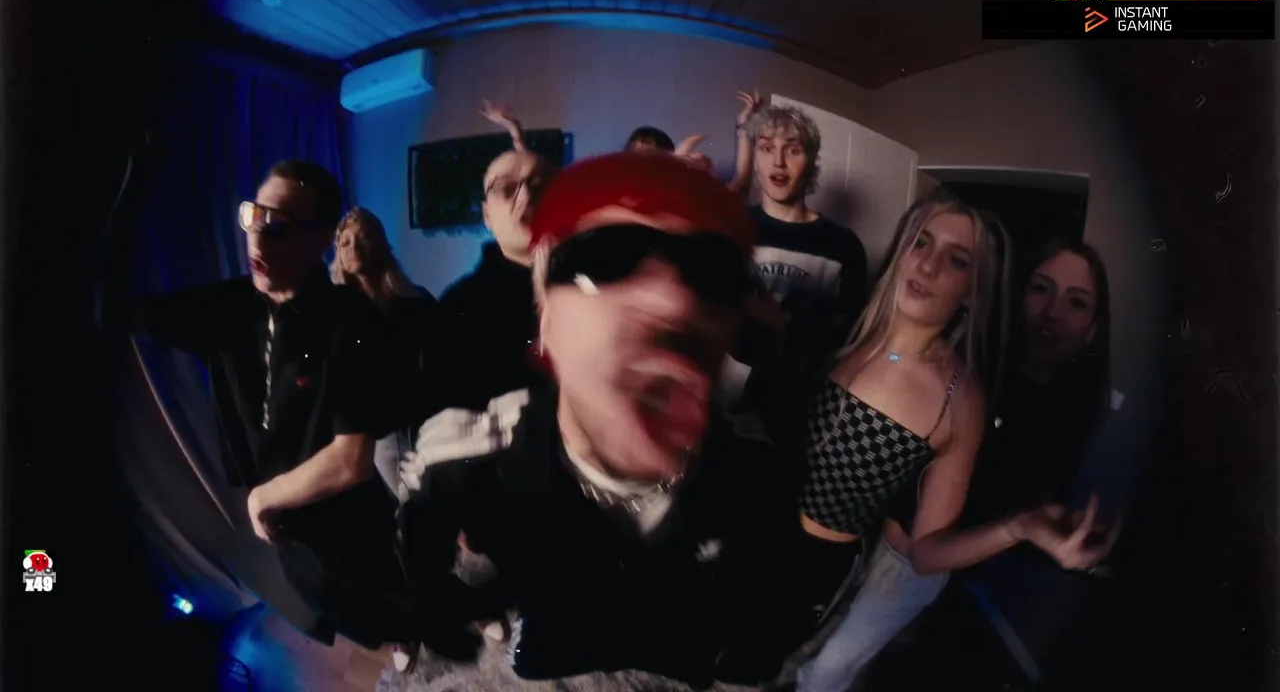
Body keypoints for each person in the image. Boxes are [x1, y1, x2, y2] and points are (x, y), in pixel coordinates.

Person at [398, 152, 806, 690]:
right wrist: (460, 604)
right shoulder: (461, 460)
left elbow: (767, 620)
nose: (674, 299)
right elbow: (419, 552)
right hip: (554, 644)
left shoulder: (758, 476)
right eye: (606, 258)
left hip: (676, 661)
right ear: (546, 319)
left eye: (711, 271)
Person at [796, 237, 1123, 692]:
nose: (1052, 311)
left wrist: (1034, 527)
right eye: (1041, 288)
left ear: (1091, 330)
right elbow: (893, 363)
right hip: (858, 530)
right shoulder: (966, 364)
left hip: (911, 568)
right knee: (802, 641)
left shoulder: (1069, 421)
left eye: (1076, 302)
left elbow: (988, 523)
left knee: (827, 670)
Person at [125, 161, 415, 664]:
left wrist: (263, 498)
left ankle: (414, 629)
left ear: (319, 237)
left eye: (278, 225)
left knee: (388, 583)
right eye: (253, 216)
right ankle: (395, 633)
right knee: (330, 600)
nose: (257, 238)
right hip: (289, 523)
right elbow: (122, 313)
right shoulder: (231, 305)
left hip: (346, 510)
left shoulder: (350, 318)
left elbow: (351, 459)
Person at [723, 103, 869, 423]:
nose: (778, 161)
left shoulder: (843, 246)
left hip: (799, 415)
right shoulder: (732, 229)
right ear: (755, 158)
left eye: (793, 150)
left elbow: (851, 341)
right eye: (766, 148)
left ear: (811, 160)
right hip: (724, 412)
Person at [436, 102, 553, 411]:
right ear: (486, 215)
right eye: (506, 189)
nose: (526, 197)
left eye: (540, 186)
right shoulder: (459, 309)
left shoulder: (602, 281)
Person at [330, 206, 439, 490]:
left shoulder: (416, 302)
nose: (354, 247)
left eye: (363, 237)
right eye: (345, 241)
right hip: (362, 438)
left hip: (417, 427)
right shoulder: (331, 314)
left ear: (381, 244)